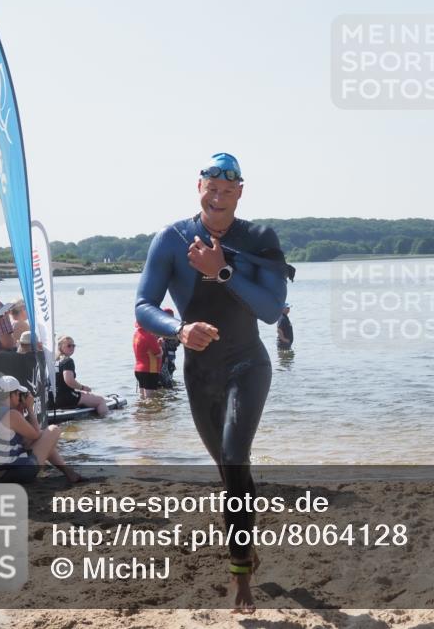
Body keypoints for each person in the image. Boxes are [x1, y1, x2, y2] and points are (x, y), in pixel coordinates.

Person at [135, 152, 292, 613]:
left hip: (248, 364)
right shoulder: (171, 239)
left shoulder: (259, 238)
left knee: (234, 456)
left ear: (240, 192)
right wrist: (179, 330)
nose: (219, 195)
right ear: (199, 187)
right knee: (230, 472)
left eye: (228, 188)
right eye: (212, 187)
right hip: (200, 372)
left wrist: (221, 272)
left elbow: (271, 310)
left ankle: (240, 575)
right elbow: (143, 305)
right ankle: (248, 547)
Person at [0, 375, 80, 484]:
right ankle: (70, 473)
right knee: (53, 430)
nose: (19, 397)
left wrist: (19, 410)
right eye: (18, 394)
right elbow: (36, 435)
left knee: (43, 439)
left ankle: (69, 472)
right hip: (6, 476)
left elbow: (24, 438)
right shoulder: (11, 414)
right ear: (12, 395)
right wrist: (29, 408)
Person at [53, 335, 108, 416]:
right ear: (60, 347)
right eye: (69, 345)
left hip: (51, 399)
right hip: (65, 397)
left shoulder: (52, 361)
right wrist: (83, 387)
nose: (72, 348)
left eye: (73, 345)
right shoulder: (68, 361)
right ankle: (106, 420)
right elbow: (69, 380)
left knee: (81, 393)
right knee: (100, 400)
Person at [132, 321, 164, 398]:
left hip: (138, 370)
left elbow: (145, 349)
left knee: (142, 397)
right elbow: (158, 354)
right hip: (149, 370)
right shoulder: (149, 335)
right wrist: (160, 347)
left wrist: (157, 343)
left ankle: (141, 406)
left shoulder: (136, 334)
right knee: (151, 399)